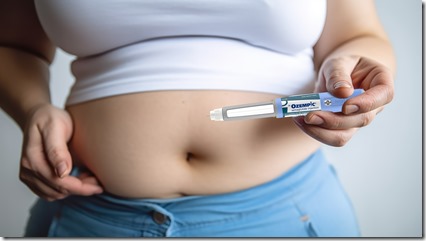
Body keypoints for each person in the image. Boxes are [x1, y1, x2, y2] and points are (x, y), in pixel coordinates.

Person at [0, 0, 395, 237]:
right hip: (93, 217)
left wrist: (355, 72)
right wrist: (34, 109)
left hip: (285, 214)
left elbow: (357, 34)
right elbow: (14, 46)